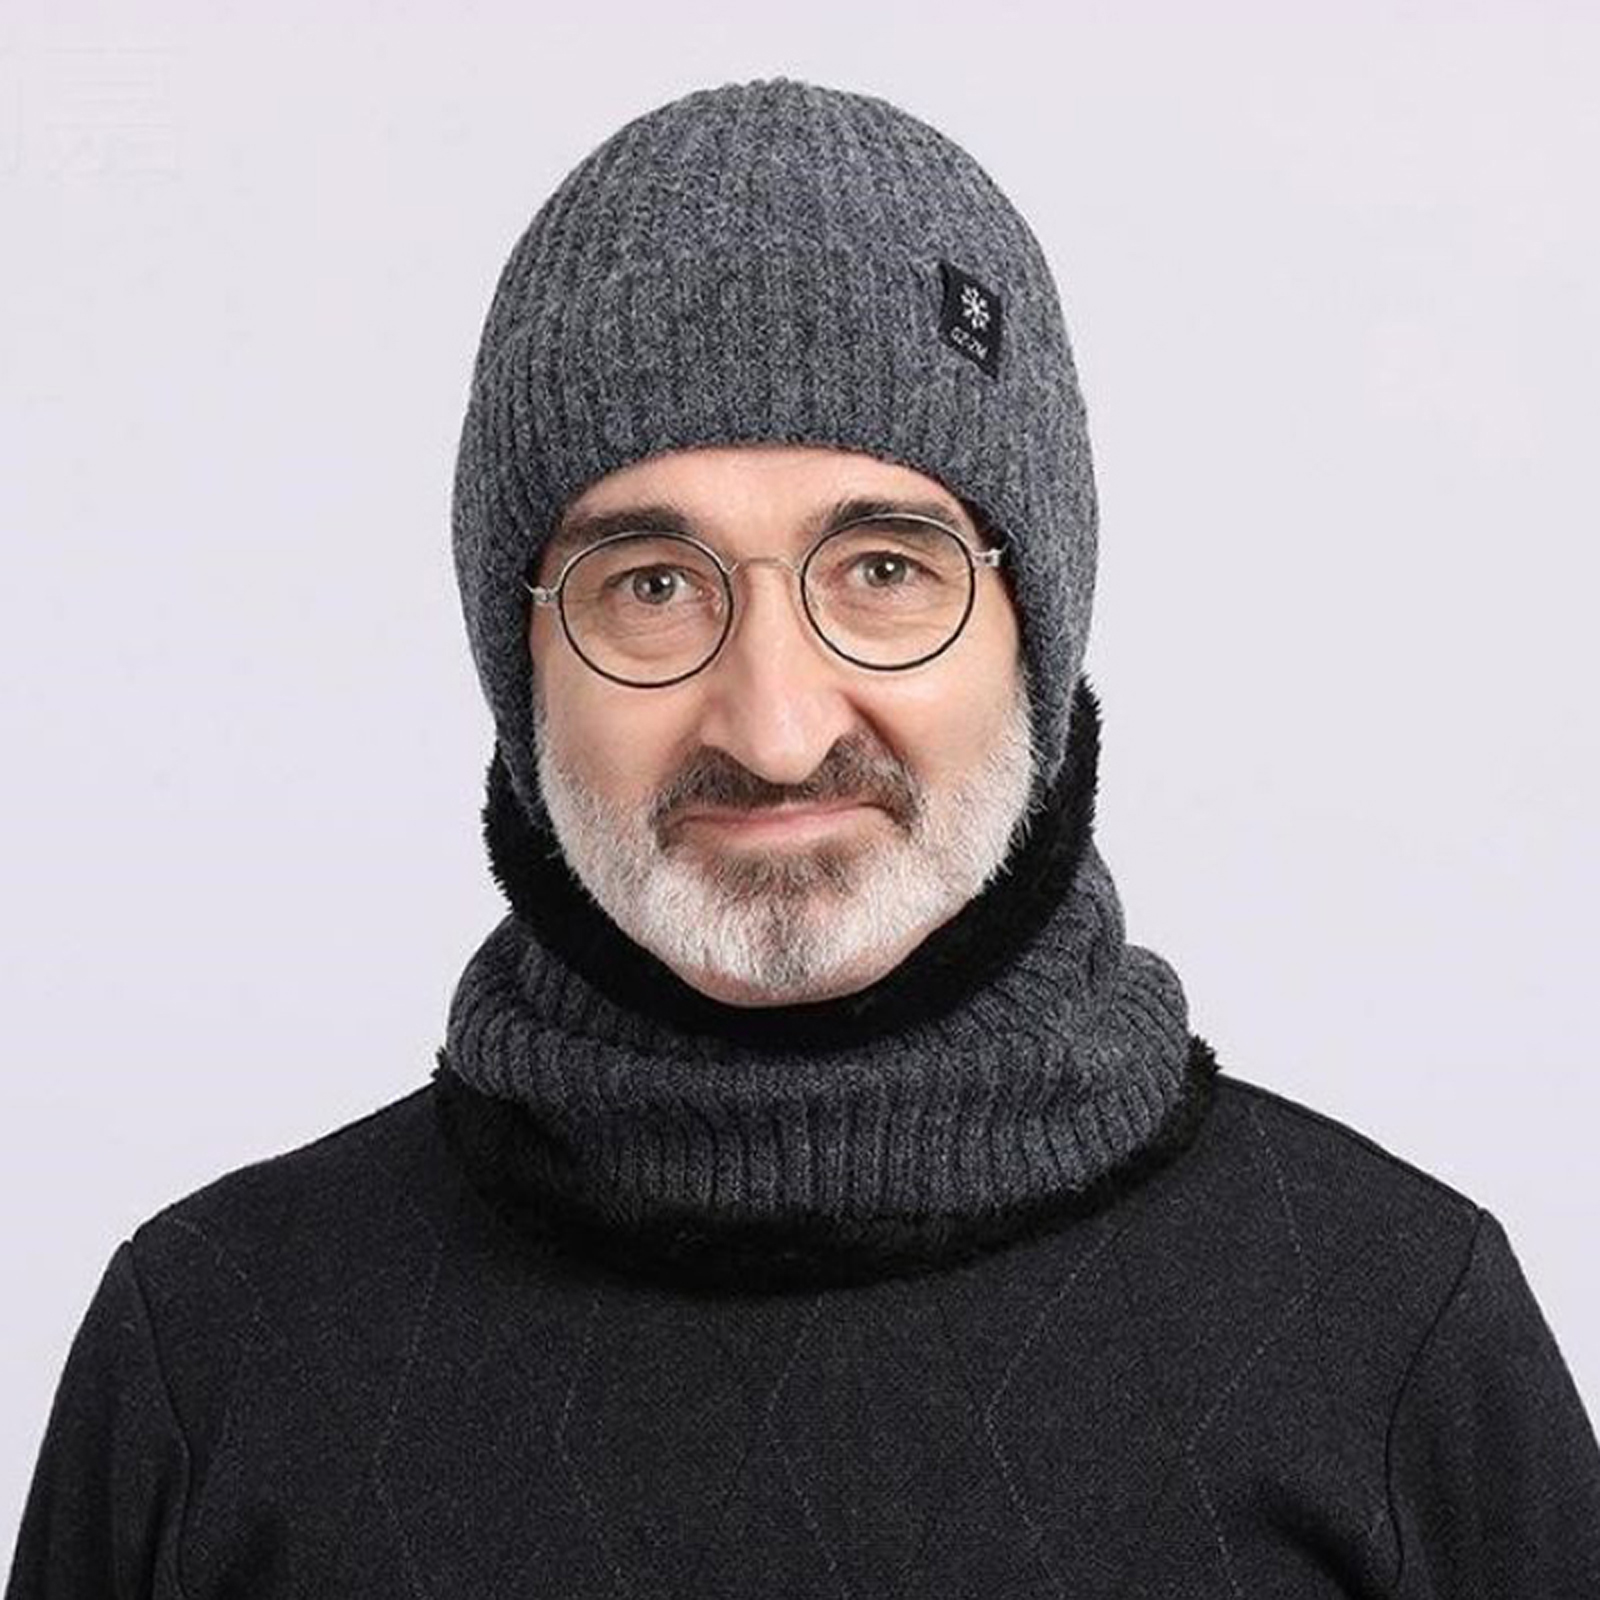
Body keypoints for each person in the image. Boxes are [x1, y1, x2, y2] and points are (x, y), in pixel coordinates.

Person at [8, 74, 1600, 1599]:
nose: (774, 728)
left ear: (1037, 637)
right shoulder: (214, 1356)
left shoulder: (1389, 1337)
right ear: (522, 663)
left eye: (886, 571)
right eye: (651, 586)